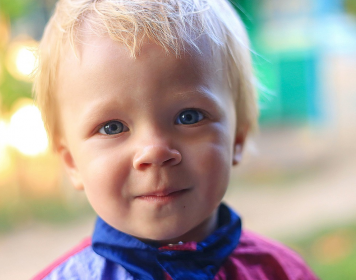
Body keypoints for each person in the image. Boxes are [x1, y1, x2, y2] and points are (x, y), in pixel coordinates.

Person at [32, 0, 318, 279]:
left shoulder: (281, 272)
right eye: (112, 127)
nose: (155, 151)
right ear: (71, 162)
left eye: (189, 117)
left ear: (237, 138)